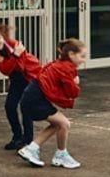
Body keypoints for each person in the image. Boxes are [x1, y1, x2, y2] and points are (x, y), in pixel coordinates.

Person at [17, 38, 86, 169]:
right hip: (35, 98)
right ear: (71, 54)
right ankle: (60, 155)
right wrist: (76, 82)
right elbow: (72, 92)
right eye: (82, 56)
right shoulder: (66, 68)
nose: (84, 60)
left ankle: (32, 148)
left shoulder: (61, 64)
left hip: (32, 96)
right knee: (64, 123)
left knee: (58, 124)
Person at [0, 23, 42, 149]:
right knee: (9, 106)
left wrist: (12, 58)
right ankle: (17, 136)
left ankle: (27, 140)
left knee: (25, 107)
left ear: (2, 35)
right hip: (16, 79)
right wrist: (15, 55)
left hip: (30, 76)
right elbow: (6, 70)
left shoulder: (13, 43)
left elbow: (20, 66)